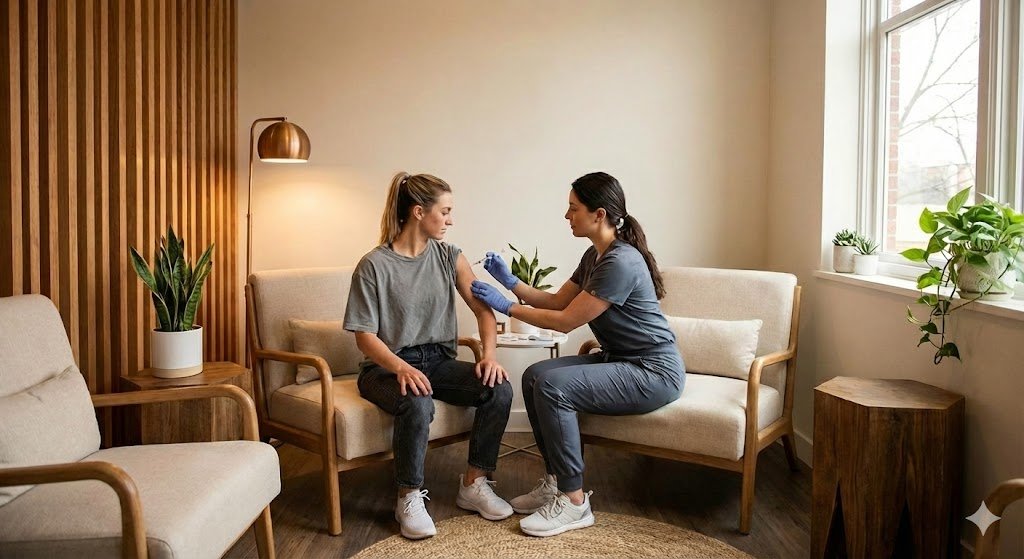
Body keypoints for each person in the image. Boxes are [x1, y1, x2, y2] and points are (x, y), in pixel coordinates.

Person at [470, 171, 685, 538]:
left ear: (598, 214)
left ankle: (574, 502)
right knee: (535, 374)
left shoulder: (621, 261)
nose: (567, 216)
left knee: (554, 386)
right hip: (621, 360)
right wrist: (510, 282)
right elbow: (556, 301)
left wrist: (507, 306)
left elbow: (566, 321)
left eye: (573, 209)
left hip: (653, 371)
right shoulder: (595, 255)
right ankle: (557, 481)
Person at [344, 172, 515, 540]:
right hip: (384, 368)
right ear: (419, 212)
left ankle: (474, 484)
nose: (451, 220)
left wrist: (489, 356)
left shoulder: (450, 257)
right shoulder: (373, 265)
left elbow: (484, 311)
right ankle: (408, 496)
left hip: (436, 361)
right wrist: (401, 367)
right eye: (446, 211)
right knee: (418, 402)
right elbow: (364, 337)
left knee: (497, 388)